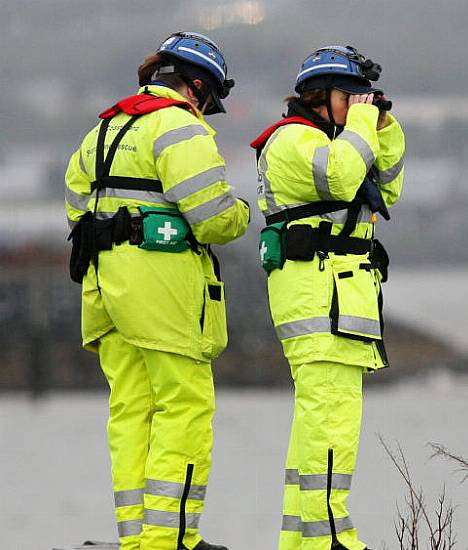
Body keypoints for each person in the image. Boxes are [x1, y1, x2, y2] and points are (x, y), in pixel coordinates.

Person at [64, 31, 250, 550]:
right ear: (198, 88)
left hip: (105, 293)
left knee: (130, 410)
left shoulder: (102, 130)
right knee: (185, 407)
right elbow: (212, 218)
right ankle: (173, 539)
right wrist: (242, 213)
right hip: (162, 293)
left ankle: (138, 538)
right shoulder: (179, 127)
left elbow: (78, 209)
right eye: (209, 101)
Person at [249, 44, 405, 550]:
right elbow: (340, 175)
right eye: (351, 95)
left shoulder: (341, 142)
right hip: (320, 302)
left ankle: (301, 540)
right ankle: (329, 539)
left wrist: (380, 126)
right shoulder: (293, 139)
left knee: (318, 426)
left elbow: (385, 189)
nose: (360, 104)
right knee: (332, 425)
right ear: (323, 95)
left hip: (339, 301)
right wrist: (361, 124)